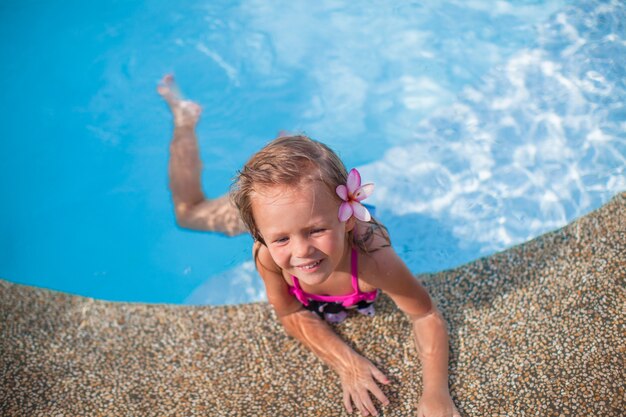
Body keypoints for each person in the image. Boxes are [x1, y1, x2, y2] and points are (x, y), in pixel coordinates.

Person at [158, 74, 460, 417]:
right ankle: (185, 120)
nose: (302, 251)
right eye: (282, 239)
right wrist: (346, 362)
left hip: (312, 208)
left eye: (316, 231)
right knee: (188, 214)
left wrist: (436, 393)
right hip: (280, 209)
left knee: (297, 199)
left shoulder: (372, 256)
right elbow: (289, 312)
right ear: (257, 234)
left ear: (346, 219)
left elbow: (425, 313)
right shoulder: (268, 255)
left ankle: (288, 153)